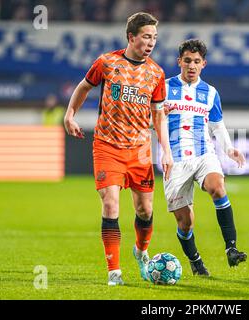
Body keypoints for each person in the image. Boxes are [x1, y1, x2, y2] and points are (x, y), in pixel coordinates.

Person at [63, 12, 173, 286]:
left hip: (140, 150)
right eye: (146, 37)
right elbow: (84, 86)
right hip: (107, 146)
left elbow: (158, 114)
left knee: (145, 210)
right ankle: (114, 272)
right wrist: (70, 114)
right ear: (131, 36)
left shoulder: (156, 73)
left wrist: (166, 150)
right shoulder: (107, 62)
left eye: (155, 38)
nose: (151, 43)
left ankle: (141, 250)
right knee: (110, 204)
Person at [163, 39, 247, 276]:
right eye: (187, 60)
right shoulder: (164, 88)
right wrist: (157, 116)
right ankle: (195, 260)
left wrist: (229, 149)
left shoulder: (210, 93)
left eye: (196, 61)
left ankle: (231, 248)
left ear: (203, 64)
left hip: (203, 154)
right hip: (175, 160)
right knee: (185, 222)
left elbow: (217, 125)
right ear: (179, 61)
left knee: (218, 187)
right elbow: (149, 121)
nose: (191, 65)